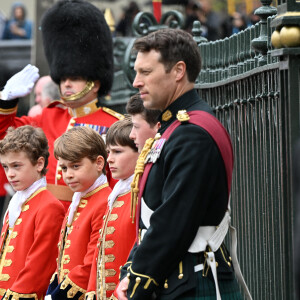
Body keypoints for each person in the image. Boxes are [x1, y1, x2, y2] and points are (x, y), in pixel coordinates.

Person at [116, 28, 248, 300]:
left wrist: (137, 278)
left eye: (146, 72)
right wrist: (131, 268)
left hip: (191, 281)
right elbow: (152, 217)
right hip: (177, 279)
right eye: (137, 72)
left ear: (178, 71)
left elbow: (174, 221)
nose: (136, 82)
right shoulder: (174, 127)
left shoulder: (191, 133)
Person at [0, 0, 123, 211]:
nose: (66, 83)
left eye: (74, 77)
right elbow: (6, 134)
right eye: (63, 77)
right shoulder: (48, 116)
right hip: (43, 214)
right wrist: (7, 102)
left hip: (85, 216)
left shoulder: (112, 125)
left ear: (95, 83)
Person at [46, 126, 112, 300]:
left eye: (75, 166)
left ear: (99, 163)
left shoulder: (104, 200)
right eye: (64, 168)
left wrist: (57, 296)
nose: (68, 175)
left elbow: (91, 264)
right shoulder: (80, 198)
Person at [0, 125, 65, 299]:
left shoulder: (49, 206)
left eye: (16, 166)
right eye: (6, 167)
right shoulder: (17, 201)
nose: (10, 174)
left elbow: (39, 267)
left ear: (39, 163)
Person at [86, 118, 139, 300]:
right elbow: (99, 254)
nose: (110, 159)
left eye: (117, 152)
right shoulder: (116, 194)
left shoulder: (139, 195)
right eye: (109, 152)